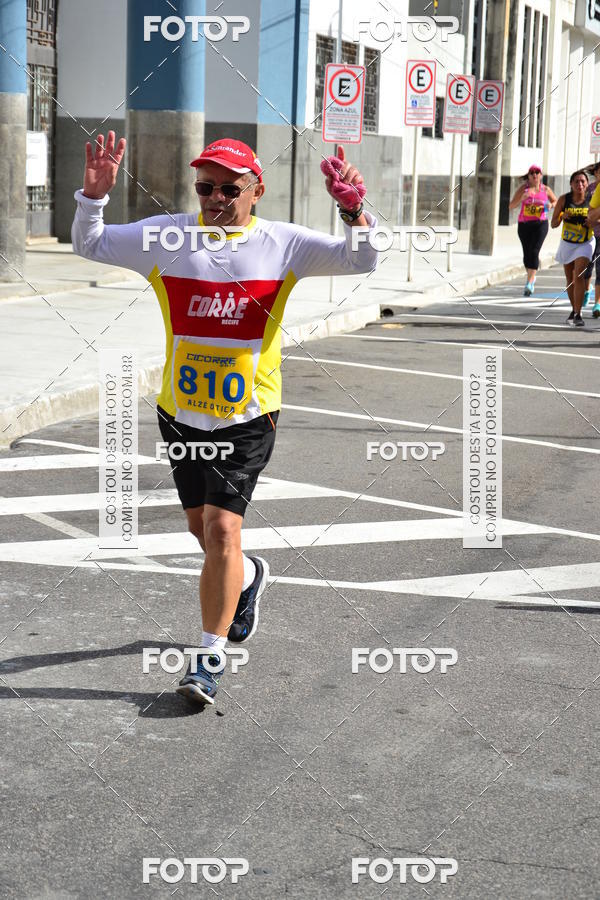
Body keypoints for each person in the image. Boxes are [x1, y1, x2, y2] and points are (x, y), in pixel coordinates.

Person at [71, 133, 378, 704]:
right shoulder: (167, 237)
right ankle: (250, 575)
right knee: (201, 531)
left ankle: (206, 659)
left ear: (256, 190)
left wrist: (353, 209)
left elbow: (361, 258)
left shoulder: (281, 244)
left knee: (220, 528)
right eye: (205, 187)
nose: (215, 198)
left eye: (229, 188)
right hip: (181, 413)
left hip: (249, 414)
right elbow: (89, 245)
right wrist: (94, 197)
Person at [551, 170, 596, 327]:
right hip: (567, 243)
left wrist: (591, 222)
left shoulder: (592, 200)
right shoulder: (564, 199)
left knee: (579, 275)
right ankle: (573, 309)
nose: (580, 184)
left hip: (585, 243)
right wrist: (562, 216)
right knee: (570, 279)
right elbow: (553, 224)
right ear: (571, 184)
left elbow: (597, 220)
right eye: (576, 181)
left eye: (583, 181)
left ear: (587, 184)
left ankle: (578, 314)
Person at [508, 164, 557, 296]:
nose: (535, 175)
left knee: (534, 251)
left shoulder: (545, 189)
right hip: (524, 225)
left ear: (541, 175)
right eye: (532, 173)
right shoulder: (523, 189)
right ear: (528, 176)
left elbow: (556, 201)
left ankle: (529, 283)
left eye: (537, 172)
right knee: (527, 254)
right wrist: (521, 199)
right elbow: (511, 206)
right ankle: (532, 275)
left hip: (541, 224)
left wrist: (551, 205)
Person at [583, 162, 600, 315]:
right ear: (595, 173)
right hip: (590, 233)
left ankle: (597, 303)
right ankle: (587, 291)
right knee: (588, 265)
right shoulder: (593, 188)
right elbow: (588, 208)